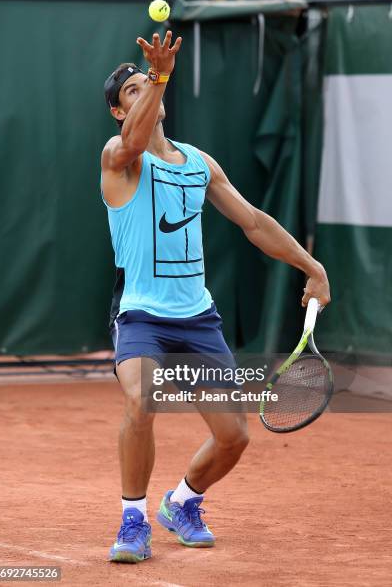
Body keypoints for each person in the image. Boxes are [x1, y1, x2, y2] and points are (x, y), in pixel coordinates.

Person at [101, 30, 331, 563]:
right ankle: (133, 519)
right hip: (141, 314)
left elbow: (254, 222)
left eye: (147, 86)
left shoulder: (198, 163)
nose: (144, 93)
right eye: (131, 91)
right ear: (118, 112)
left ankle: (182, 502)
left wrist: (311, 265)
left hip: (197, 319)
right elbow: (135, 142)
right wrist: (158, 74)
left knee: (234, 437)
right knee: (142, 399)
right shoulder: (119, 155)